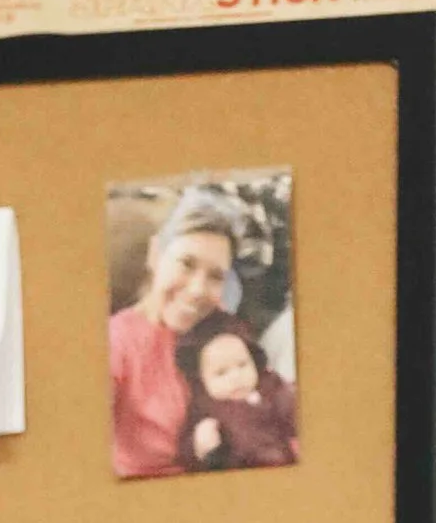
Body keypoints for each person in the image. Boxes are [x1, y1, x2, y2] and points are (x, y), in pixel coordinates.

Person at [108, 189, 242, 477]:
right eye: (186, 264)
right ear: (156, 254)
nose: (197, 290)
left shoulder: (227, 331)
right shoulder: (116, 343)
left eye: (215, 276)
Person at [177, 310, 300, 469]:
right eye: (221, 372)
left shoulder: (271, 386)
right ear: (201, 380)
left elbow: (292, 413)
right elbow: (185, 451)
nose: (236, 377)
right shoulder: (203, 407)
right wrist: (198, 445)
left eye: (242, 364)